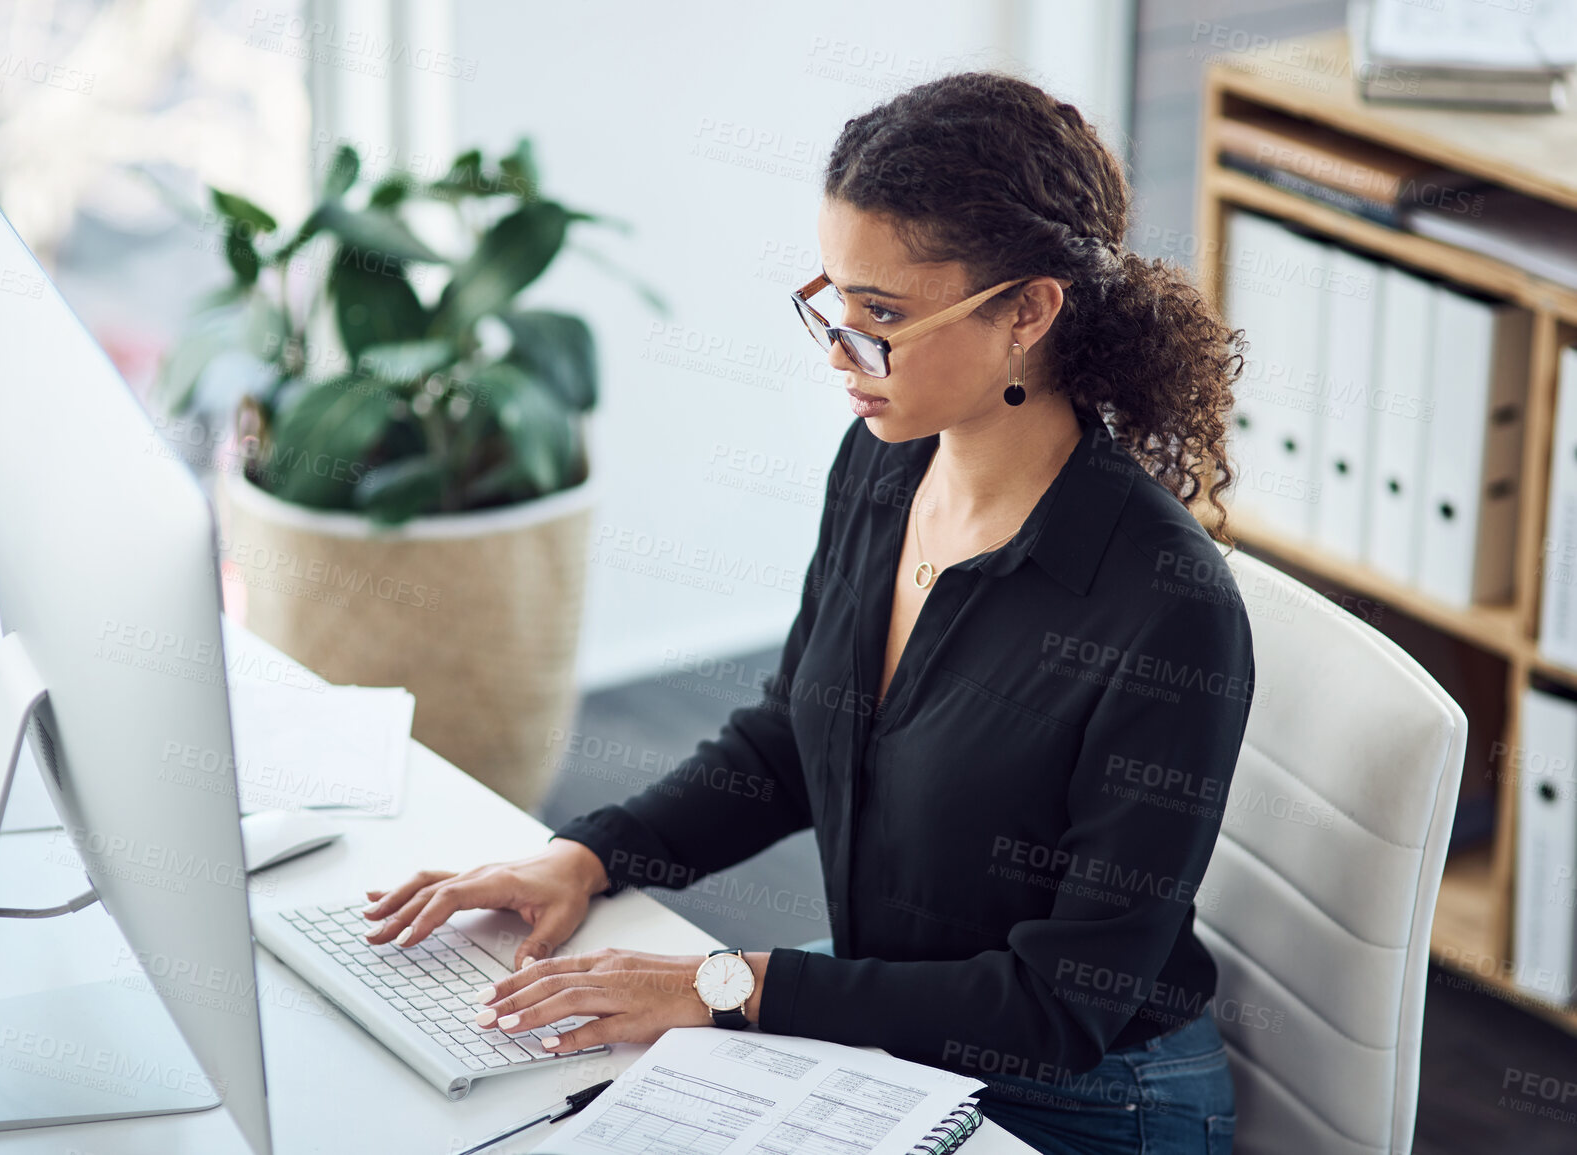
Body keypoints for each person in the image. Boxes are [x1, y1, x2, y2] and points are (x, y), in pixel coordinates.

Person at [361, 72, 1253, 1155]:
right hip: (902, 1039)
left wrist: (730, 986)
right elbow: (794, 740)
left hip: (1091, 1101)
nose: (840, 353)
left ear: (1029, 310)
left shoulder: (1165, 607)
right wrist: (590, 857)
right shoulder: (885, 469)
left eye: (882, 319)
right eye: (834, 301)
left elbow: (1063, 1008)